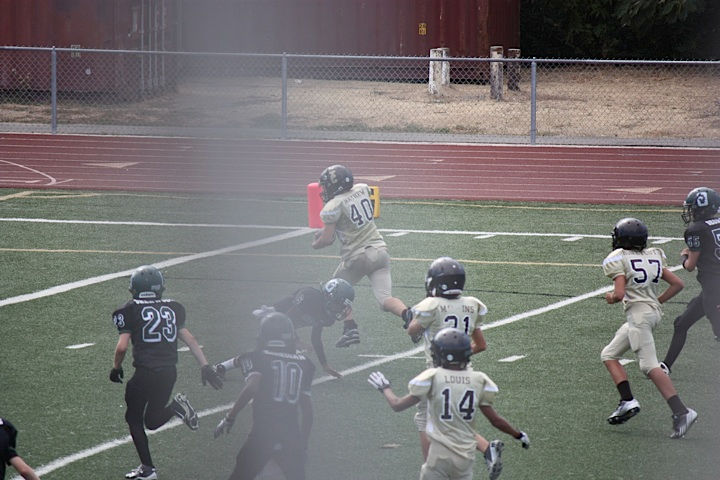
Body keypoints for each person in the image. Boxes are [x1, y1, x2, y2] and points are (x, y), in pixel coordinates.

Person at [367, 328, 529, 480]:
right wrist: (518, 434)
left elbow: (397, 405)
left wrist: (385, 388)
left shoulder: (432, 377)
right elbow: (496, 420)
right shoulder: (478, 379)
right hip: (464, 459)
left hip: (439, 457)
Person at [110, 265, 224, 480]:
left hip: (145, 372)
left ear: (134, 288)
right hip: (169, 372)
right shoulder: (173, 307)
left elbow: (122, 347)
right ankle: (175, 407)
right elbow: (190, 339)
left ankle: (148, 469)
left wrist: (116, 368)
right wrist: (205, 366)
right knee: (152, 421)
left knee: (134, 418)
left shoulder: (128, 310)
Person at [404, 257, 501, 478]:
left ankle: (431, 468)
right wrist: (458, 356)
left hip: (438, 372)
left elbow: (412, 330)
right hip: (465, 372)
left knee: (424, 419)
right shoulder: (471, 304)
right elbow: (481, 345)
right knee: (454, 422)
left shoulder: (432, 305)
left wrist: (413, 318)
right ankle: (487, 448)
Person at [601, 218, 697, 439]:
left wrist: (610, 297)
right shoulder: (653, 255)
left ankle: (682, 411)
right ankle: (627, 400)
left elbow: (619, 293)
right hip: (651, 313)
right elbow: (678, 284)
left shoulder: (619, 257)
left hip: (639, 317)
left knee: (649, 366)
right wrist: (656, 301)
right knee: (609, 354)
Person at [311, 164, 409, 346]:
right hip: (380, 252)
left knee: (333, 291)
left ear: (335, 185)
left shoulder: (333, 206)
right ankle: (409, 315)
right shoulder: (362, 189)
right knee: (385, 299)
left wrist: (316, 243)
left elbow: (327, 239)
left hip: (357, 256)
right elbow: (350, 220)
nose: (324, 190)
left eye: (326, 185)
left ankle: (350, 329)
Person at [214, 312, 315, 480]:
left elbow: (252, 387)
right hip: (291, 435)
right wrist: (303, 444)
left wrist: (230, 417)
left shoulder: (256, 357)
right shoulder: (305, 363)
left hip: (263, 433)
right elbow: (308, 411)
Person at [215, 278, 355, 379]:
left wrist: (324, 365)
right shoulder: (310, 297)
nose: (340, 309)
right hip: (273, 318)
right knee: (271, 355)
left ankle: (223, 367)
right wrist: (297, 341)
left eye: (342, 307)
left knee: (278, 356)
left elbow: (316, 337)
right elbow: (286, 319)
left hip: (286, 325)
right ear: (330, 296)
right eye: (339, 305)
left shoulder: (328, 317)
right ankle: (222, 367)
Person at [661, 186, 720, 372]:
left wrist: (684, 256)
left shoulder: (696, 229)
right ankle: (665, 366)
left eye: (692, 208)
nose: (690, 211)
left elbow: (690, 266)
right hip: (711, 289)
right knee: (681, 323)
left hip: (714, 289)